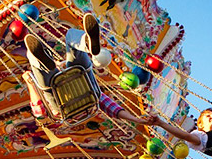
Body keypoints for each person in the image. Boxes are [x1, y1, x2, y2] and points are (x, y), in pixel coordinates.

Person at [22, 13, 152, 126]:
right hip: (83, 87)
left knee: (39, 58)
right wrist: (135, 119)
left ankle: (87, 43)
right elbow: (112, 108)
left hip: (60, 100)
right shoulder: (95, 97)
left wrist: (30, 83)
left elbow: (39, 111)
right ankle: (52, 59)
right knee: (69, 38)